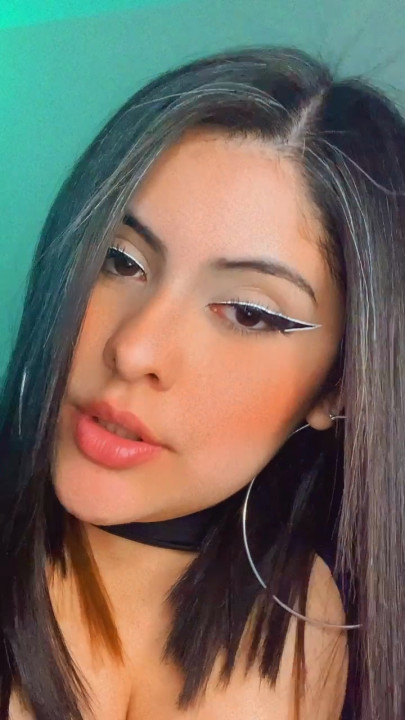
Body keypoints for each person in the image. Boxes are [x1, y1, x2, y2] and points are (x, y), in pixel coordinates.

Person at [0, 45, 404, 720]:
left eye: (247, 312)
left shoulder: (312, 622)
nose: (134, 349)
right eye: (119, 261)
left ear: (337, 387)